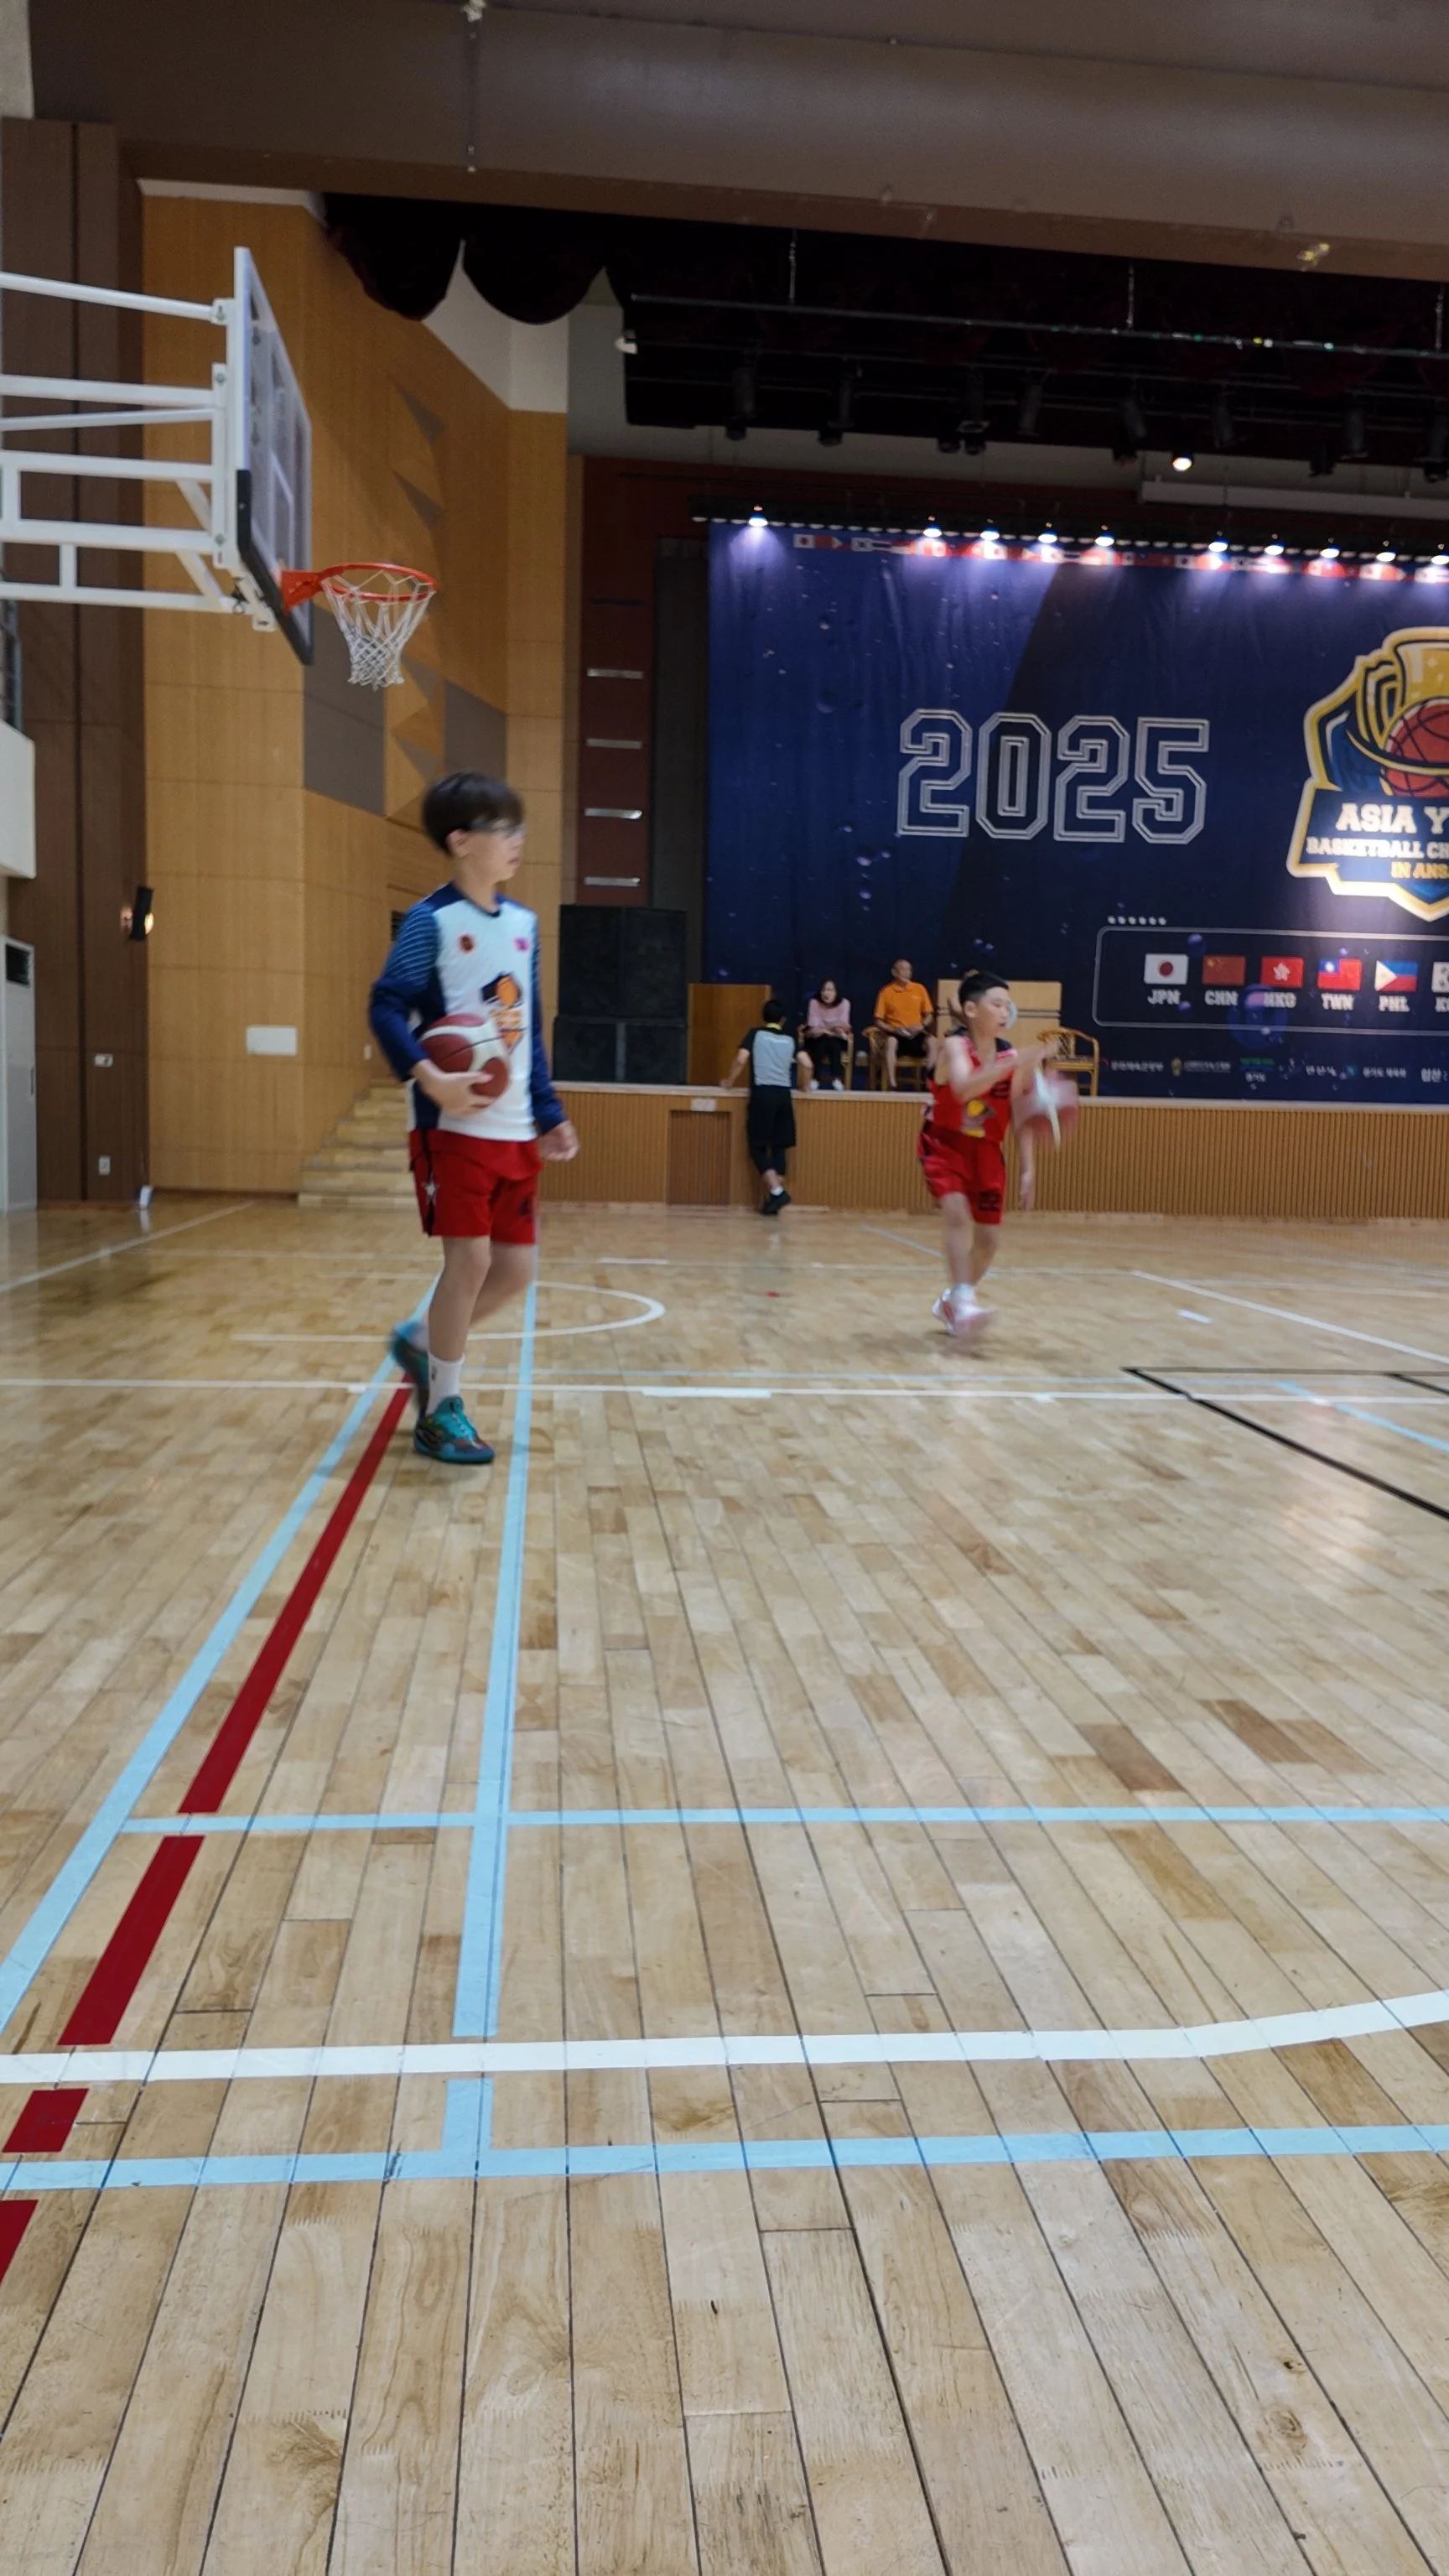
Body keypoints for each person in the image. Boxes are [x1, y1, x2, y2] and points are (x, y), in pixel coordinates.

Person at [369, 771, 579, 1463]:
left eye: (520, 828)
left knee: (515, 1270)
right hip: (453, 1128)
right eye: (503, 829)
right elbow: (385, 1004)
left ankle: (425, 1343)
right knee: (471, 1261)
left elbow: (531, 1030)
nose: (518, 840)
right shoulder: (432, 921)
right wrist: (429, 1076)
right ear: (461, 842)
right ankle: (441, 1408)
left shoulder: (522, 925)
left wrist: (548, 1112)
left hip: (516, 1130)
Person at [917, 968, 1051, 1340]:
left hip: (988, 1152)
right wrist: (1012, 1063)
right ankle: (963, 1303)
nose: (1005, 1011)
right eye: (998, 1003)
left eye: (1009, 1005)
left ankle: (953, 1300)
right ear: (972, 1010)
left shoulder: (1010, 1055)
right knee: (957, 1214)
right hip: (944, 1144)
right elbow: (962, 1089)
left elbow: (1022, 1113)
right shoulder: (956, 1047)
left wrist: (1029, 1169)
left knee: (989, 1241)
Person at [722, 996, 808, 1214]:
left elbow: (741, 1059)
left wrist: (728, 1082)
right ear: (783, 1019)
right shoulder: (790, 1038)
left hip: (763, 1093)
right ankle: (773, 1201)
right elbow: (807, 1063)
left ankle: (778, 1192)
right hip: (783, 1094)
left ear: (763, 1017)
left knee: (757, 1147)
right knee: (779, 1146)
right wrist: (804, 1085)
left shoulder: (755, 1034)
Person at [870, 958, 936, 1088]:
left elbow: (929, 1015)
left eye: (909, 970)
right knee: (891, 1042)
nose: (907, 973)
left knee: (933, 1041)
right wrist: (894, 1030)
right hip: (896, 1033)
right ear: (894, 972)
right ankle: (892, 1084)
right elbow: (878, 1021)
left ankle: (929, 1082)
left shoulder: (919, 988)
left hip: (916, 1032)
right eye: (903, 969)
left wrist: (921, 1026)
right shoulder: (886, 992)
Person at [802, 977, 851, 1088]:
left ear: (837, 992)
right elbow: (813, 1027)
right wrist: (833, 1027)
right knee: (821, 1042)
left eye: (830, 990)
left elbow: (844, 1026)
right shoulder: (814, 1003)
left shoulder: (844, 1003)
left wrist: (825, 1028)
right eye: (824, 990)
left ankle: (836, 1078)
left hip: (836, 1039)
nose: (826, 993)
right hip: (816, 1038)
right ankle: (816, 1078)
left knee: (833, 1043)